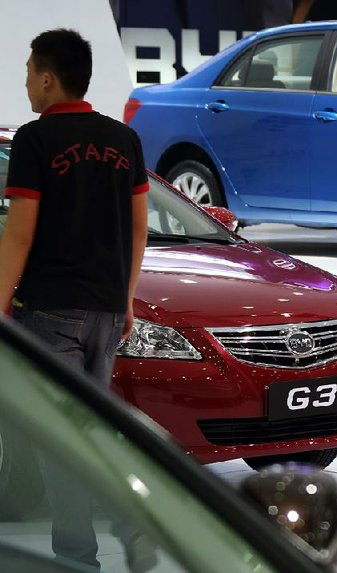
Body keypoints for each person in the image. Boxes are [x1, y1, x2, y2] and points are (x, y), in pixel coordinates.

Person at [0, 29, 150, 570]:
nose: (25, 85)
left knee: (62, 441)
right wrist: (127, 299)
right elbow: (139, 230)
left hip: (50, 310)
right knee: (95, 431)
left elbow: (18, 234)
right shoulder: (123, 140)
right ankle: (134, 525)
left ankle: (77, 558)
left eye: (27, 73)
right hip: (109, 311)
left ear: (47, 77)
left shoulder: (35, 141)